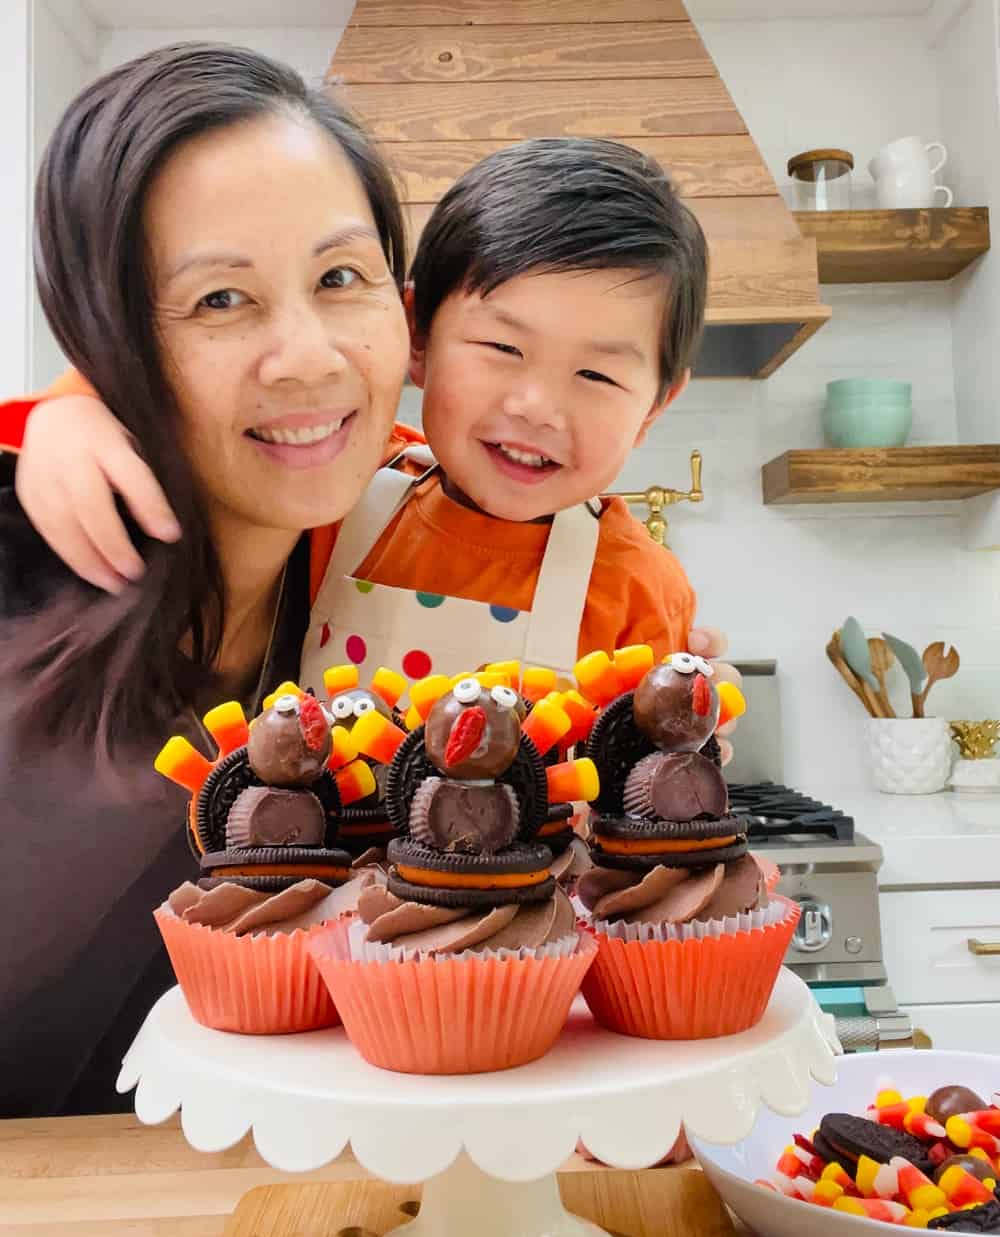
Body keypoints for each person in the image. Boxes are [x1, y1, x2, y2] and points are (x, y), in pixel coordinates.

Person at [0, 41, 413, 1118]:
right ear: (108, 334)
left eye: (339, 278)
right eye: (222, 299)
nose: (309, 355)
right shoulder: (21, 546)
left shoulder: (380, 568)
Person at [4, 139, 733, 702]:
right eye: (503, 347)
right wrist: (72, 407)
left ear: (654, 410)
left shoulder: (643, 588)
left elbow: (650, 783)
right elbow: (161, 398)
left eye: (597, 375)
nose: (535, 406)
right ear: (416, 338)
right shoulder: (346, 474)